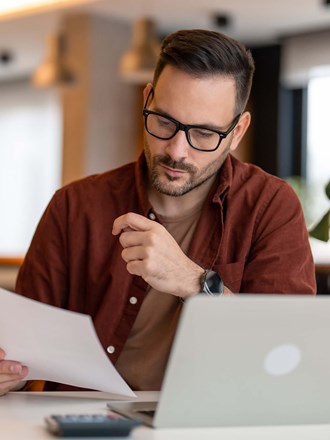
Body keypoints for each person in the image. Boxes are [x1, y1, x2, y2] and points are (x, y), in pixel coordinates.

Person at [0, 29, 316, 396]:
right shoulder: (74, 206)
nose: (177, 151)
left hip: (207, 421)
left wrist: (194, 283)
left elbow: (288, 353)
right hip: (81, 424)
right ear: (148, 98)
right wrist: (10, 371)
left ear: (238, 130)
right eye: (165, 122)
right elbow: (22, 351)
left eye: (203, 134)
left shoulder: (270, 206)